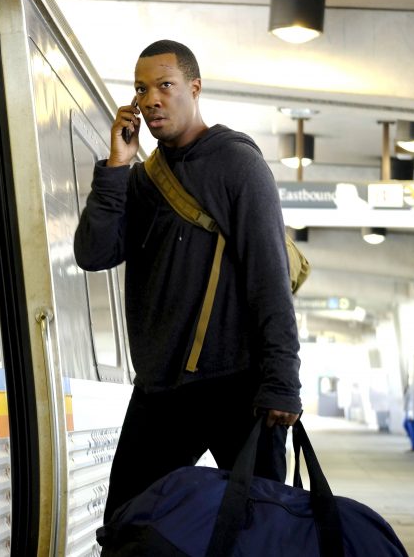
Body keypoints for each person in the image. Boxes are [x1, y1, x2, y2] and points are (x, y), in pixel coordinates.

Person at [74, 40, 301, 522]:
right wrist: (117, 166)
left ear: (194, 88)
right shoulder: (142, 180)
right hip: (162, 389)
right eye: (141, 88)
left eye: (165, 85)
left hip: (238, 386)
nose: (151, 98)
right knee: (125, 524)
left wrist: (283, 383)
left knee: (257, 530)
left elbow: (269, 279)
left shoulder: (238, 165)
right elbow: (93, 254)